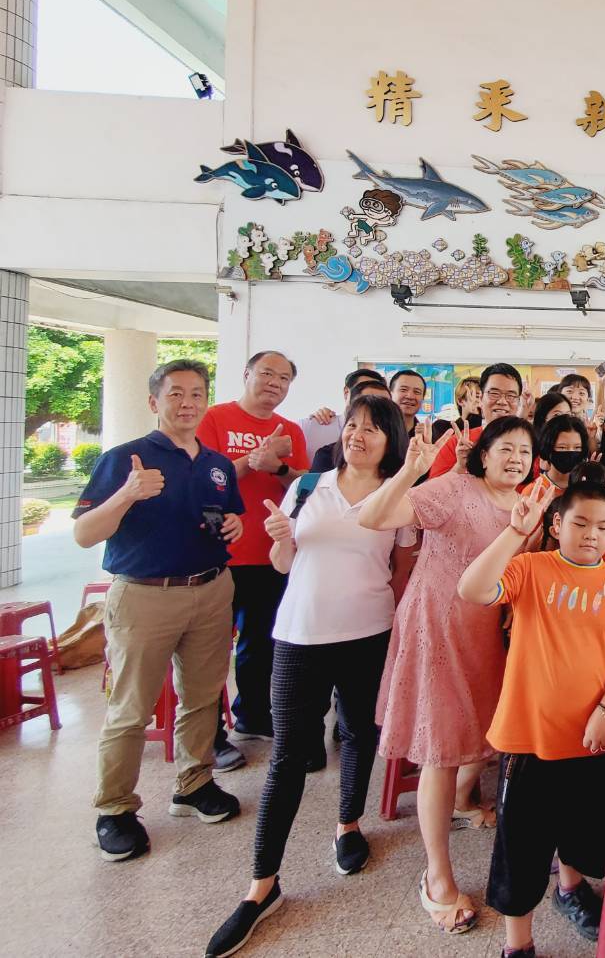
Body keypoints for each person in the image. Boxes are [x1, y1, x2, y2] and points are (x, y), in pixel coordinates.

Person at [204, 395, 416, 957]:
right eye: (352, 426)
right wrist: (279, 541)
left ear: (392, 440)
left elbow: (402, 571)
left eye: (372, 429)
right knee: (289, 754)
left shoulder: (398, 497)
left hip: (369, 631)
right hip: (299, 633)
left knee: (357, 733)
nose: (359, 436)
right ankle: (262, 885)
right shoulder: (307, 487)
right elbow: (284, 563)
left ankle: (348, 824)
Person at [457, 482, 605, 952]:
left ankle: (571, 890)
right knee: (520, 847)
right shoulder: (530, 567)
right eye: (580, 523)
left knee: (583, 832)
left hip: (591, 738)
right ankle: (517, 943)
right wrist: (512, 533)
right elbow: (472, 588)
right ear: (556, 524)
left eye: (603, 527)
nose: (591, 535)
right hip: (529, 740)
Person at [360, 417, 534, 932]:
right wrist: (411, 473)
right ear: (483, 454)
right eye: (505, 448)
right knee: (439, 746)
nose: (515, 458)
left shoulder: (528, 504)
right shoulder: (455, 488)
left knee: (479, 728)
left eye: (525, 450)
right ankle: (437, 876)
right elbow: (375, 516)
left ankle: (463, 800)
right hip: (437, 625)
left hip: (490, 633)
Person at [74, 359, 246, 863]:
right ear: (154, 402)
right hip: (145, 595)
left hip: (211, 589)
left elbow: (225, 512)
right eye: (176, 394)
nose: (187, 403)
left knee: (202, 696)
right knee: (131, 706)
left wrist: (233, 525)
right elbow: (85, 533)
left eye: (196, 394)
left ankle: (193, 785)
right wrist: (126, 495)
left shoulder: (215, 463)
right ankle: (115, 809)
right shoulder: (124, 459)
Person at [197, 350, 309, 747]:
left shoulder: (290, 429)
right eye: (267, 374)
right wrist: (253, 459)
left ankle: (253, 716)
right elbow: (203, 480)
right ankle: (209, 737)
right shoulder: (213, 418)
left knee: (260, 644)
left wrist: (278, 467)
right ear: (246, 373)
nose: (275, 384)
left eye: (284, 378)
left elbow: (299, 487)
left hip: (269, 554)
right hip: (219, 554)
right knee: (207, 653)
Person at [429, 364, 526, 478]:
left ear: (519, 401)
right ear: (481, 399)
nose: (502, 401)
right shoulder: (458, 443)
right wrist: (459, 467)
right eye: (494, 393)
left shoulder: (527, 446)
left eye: (511, 395)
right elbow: (432, 490)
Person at [308, 380, 392, 475]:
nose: (356, 436)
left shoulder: (402, 469)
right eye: (352, 425)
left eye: (369, 430)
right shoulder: (326, 456)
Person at [300, 368, 386, 459]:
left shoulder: (385, 435)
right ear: (346, 393)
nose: (370, 401)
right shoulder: (309, 426)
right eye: (362, 389)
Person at [533, 414, 591, 496]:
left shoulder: (588, 489)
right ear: (548, 448)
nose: (571, 452)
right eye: (562, 447)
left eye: (577, 447)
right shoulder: (534, 491)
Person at [388, 369, 428, 436]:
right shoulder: (376, 431)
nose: (410, 396)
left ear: (423, 398)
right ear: (390, 393)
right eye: (403, 390)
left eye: (417, 392)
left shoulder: (427, 436)